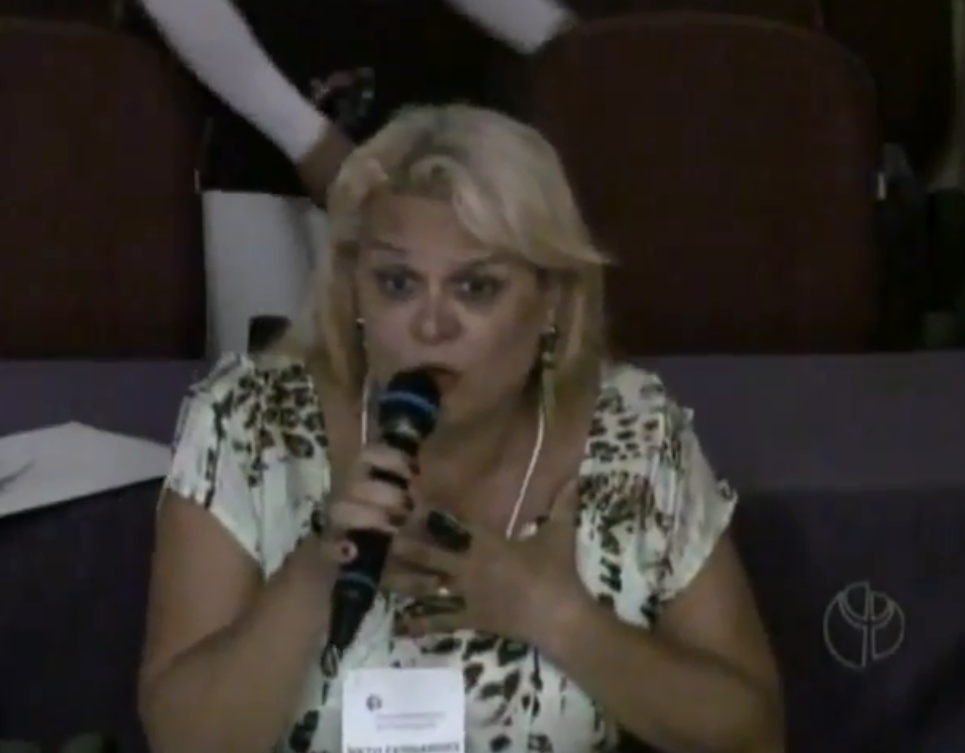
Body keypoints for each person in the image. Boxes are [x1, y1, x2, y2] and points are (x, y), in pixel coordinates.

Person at [139, 104, 785, 753]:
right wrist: (314, 574)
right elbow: (182, 741)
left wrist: (557, 617)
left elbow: (752, 736)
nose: (431, 325)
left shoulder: (633, 438)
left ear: (552, 300)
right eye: (397, 283)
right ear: (354, 289)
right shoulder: (252, 425)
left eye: (475, 287)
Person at [136, 0, 576, 355]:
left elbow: (554, 37)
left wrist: (567, 43)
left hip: (446, 137)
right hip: (263, 141)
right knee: (276, 397)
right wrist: (307, 141)